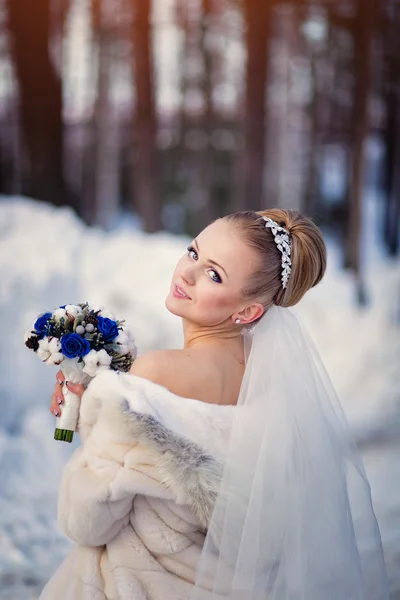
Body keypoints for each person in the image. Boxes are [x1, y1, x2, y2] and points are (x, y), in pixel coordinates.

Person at [43, 209, 389, 600]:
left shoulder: (154, 374)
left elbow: (87, 520)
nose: (187, 274)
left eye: (214, 274)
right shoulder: (275, 383)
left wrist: (94, 410)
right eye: (193, 252)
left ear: (247, 311)